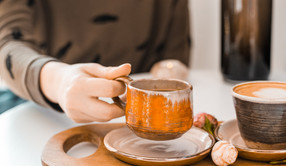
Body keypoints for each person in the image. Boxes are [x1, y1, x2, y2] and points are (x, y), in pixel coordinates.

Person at [0, 0, 191, 122]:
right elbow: (8, 44)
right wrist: (59, 82)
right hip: (39, 112)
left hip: (138, 123)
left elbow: (174, 56)